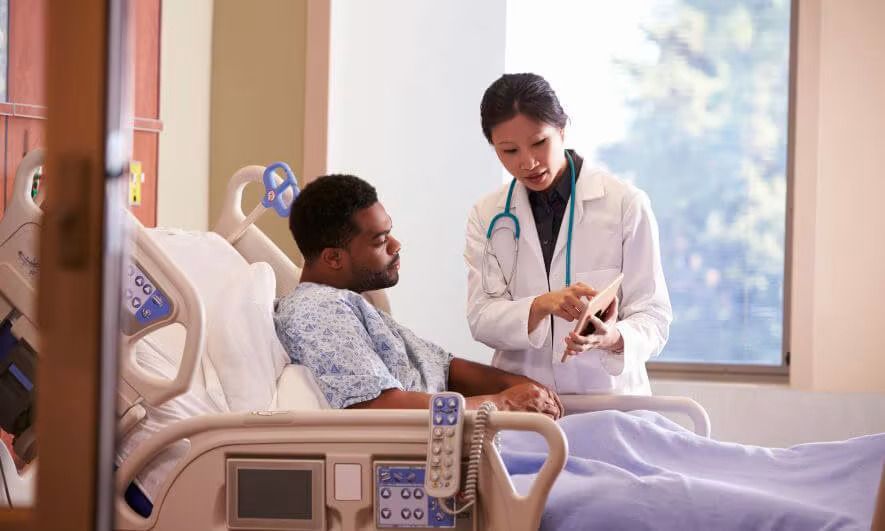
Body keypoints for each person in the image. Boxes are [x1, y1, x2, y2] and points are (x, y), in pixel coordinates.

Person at [273, 173, 564, 418]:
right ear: (333, 258)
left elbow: (444, 368)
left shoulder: (351, 305)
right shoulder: (318, 311)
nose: (396, 245)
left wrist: (524, 386)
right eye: (380, 240)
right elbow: (379, 407)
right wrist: (505, 403)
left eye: (390, 232)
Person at [465, 73, 672, 395]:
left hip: (608, 401)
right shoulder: (487, 215)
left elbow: (653, 315)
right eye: (509, 151)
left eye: (538, 143)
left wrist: (613, 338)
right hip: (527, 404)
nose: (527, 162)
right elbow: (482, 318)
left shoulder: (625, 204)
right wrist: (540, 305)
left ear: (561, 128)